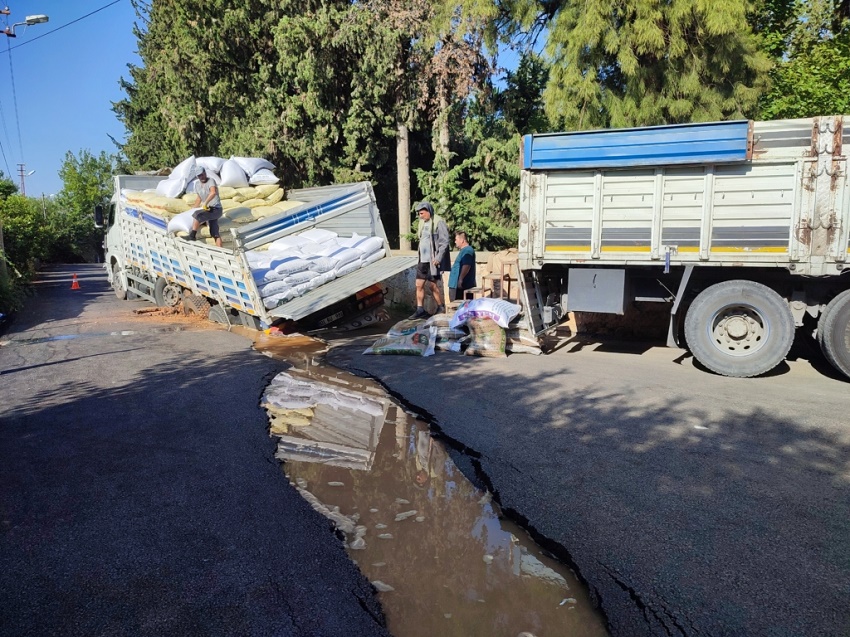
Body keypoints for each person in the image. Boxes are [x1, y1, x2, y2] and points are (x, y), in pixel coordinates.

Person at [409, 201, 450, 319]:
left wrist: (438, 257)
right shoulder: (422, 223)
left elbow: (444, 242)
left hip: (433, 261)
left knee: (432, 285)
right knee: (418, 284)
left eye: (422, 213)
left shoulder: (438, 221)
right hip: (423, 260)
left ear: (428, 211)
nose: (420, 216)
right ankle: (420, 309)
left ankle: (440, 307)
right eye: (419, 214)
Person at [186, 166, 224, 247]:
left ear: (205, 173)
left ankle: (192, 236)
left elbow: (213, 192)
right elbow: (199, 198)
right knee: (214, 233)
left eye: (202, 174)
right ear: (197, 176)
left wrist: (206, 203)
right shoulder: (197, 184)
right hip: (208, 210)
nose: (201, 177)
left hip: (216, 209)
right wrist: (192, 209)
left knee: (197, 215)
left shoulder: (211, 181)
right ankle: (220, 250)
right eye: (199, 176)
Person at [448, 231, 476, 302]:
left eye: (456, 239)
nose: (455, 242)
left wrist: (460, 279)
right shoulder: (464, 251)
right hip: (456, 285)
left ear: (462, 240)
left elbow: (467, 265)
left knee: (457, 307)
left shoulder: (467, 250)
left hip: (460, 286)